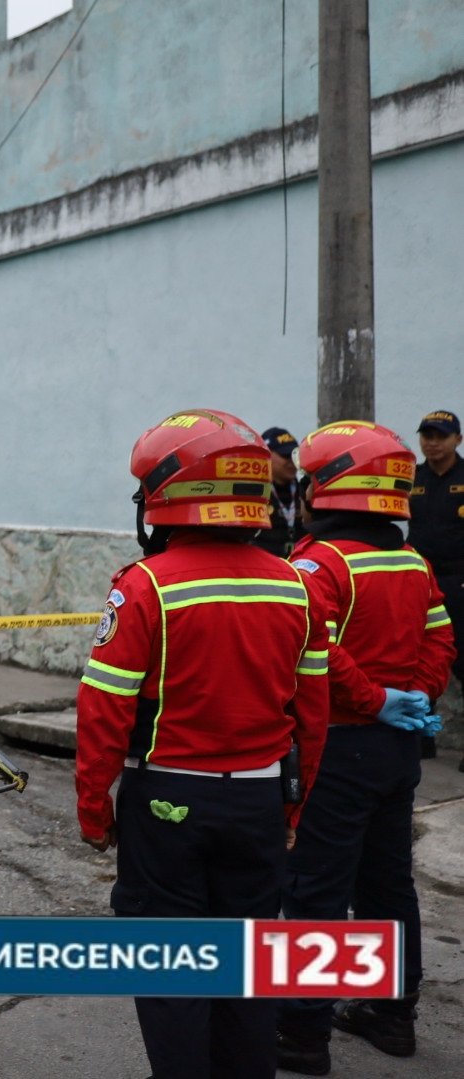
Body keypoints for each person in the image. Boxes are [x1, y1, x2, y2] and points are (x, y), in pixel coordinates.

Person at [76, 408, 328, 1079]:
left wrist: (93, 808)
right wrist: (293, 807)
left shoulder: (145, 586)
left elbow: (103, 711)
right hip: (259, 802)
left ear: (168, 500)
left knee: (170, 966)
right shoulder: (296, 584)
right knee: (245, 963)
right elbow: (313, 715)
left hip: (168, 803)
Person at [276, 422, 457, 1074]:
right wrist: (414, 696)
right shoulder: (413, 562)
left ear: (322, 488)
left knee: (315, 888)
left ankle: (300, 1031)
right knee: (388, 883)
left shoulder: (317, 564)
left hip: (335, 746)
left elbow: (315, 651)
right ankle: (391, 1012)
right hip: (397, 750)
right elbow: (441, 640)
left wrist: (373, 697)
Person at [407, 409, 464, 767]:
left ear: (457, 439)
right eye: (427, 435)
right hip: (420, 581)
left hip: (459, 581)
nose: (432, 442)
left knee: (463, 662)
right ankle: (423, 738)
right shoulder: (414, 477)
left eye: (440, 435)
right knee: (419, 657)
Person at [257, 426, 302, 557]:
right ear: (267, 455)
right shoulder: (255, 494)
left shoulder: (306, 491)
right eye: (285, 455)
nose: (292, 462)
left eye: (294, 455)